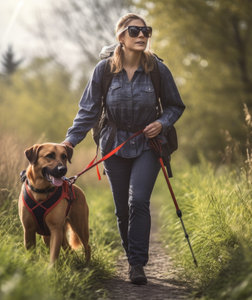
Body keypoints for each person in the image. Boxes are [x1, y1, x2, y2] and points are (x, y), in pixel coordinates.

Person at [62, 13, 185, 285]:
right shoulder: (103, 71)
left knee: (138, 200)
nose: (142, 36)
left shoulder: (158, 70)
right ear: (121, 37)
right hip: (113, 145)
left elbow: (176, 106)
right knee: (122, 208)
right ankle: (133, 258)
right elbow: (88, 111)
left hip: (148, 145)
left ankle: (137, 264)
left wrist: (161, 123)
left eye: (146, 31)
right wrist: (70, 141)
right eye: (134, 31)